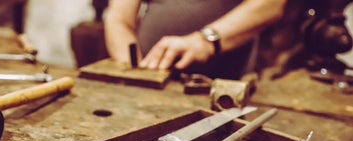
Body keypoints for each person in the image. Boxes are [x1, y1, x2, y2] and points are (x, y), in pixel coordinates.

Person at [104, 0, 287, 79]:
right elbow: (119, 20)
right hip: (153, 81)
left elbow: (270, 5)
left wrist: (205, 41)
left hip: (220, 87)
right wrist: (133, 69)